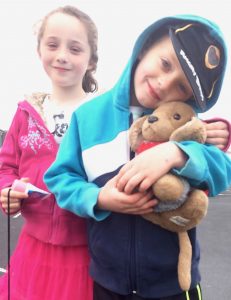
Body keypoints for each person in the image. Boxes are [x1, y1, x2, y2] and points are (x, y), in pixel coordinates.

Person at [44, 14, 231, 300]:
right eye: (165, 63)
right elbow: (60, 178)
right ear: (144, 48)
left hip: (176, 286)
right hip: (107, 284)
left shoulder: (183, 124)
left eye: (182, 86)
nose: (165, 83)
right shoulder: (87, 117)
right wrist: (98, 199)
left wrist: (177, 153)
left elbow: (223, 171)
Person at [0, 5, 98, 300]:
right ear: (39, 49)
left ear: (91, 60)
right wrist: (7, 192)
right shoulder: (25, 114)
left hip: (87, 254)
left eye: (75, 48)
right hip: (32, 251)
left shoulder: (101, 116)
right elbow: (6, 168)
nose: (62, 56)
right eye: (53, 45)